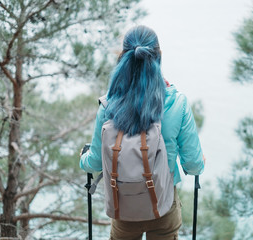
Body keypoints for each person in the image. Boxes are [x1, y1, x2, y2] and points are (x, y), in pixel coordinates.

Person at [80, 25, 205, 240]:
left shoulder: (108, 105)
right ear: (159, 56)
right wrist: (200, 162)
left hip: (124, 208)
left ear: (123, 57)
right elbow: (193, 165)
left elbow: (95, 163)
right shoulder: (177, 103)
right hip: (163, 206)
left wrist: (83, 159)